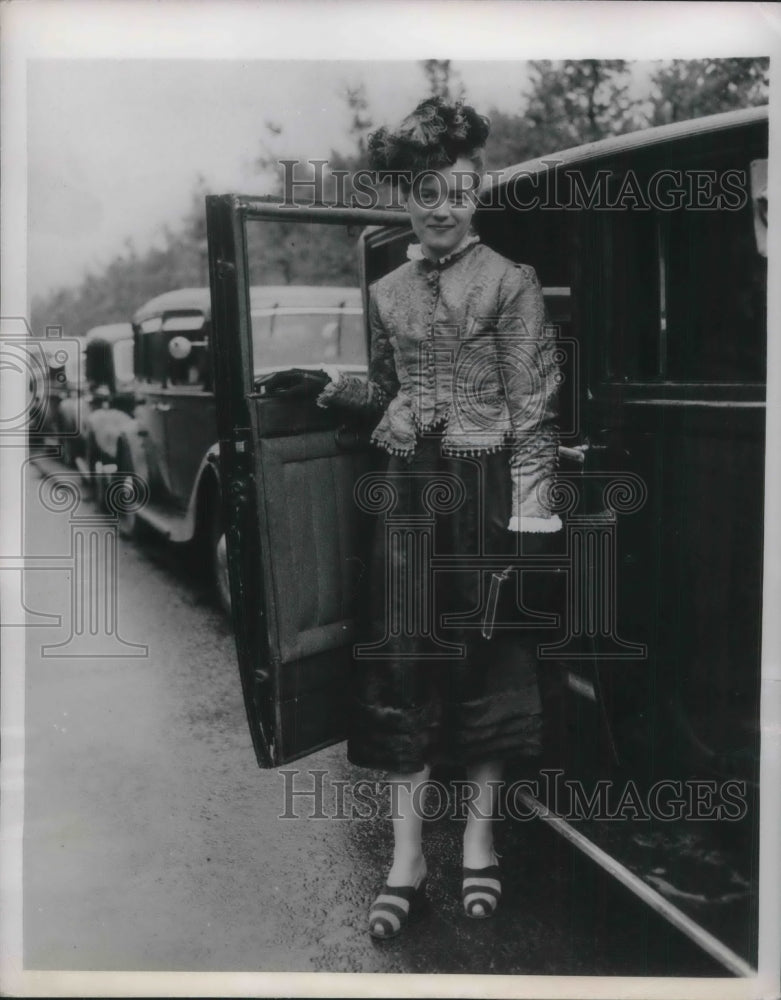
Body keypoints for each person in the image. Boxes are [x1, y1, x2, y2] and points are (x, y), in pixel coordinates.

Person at [317, 96, 561, 938]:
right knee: (403, 671)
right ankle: (406, 860)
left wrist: (529, 528)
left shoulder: (511, 283)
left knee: (487, 667)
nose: (441, 205)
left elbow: (534, 411)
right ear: (405, 196)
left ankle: (480, 847)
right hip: (406, 506)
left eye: (456, 189)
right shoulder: (385, 292)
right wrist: (342, 394)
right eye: (425, 191)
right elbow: (388, 395)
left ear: (476, 189)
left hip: (486, 499)